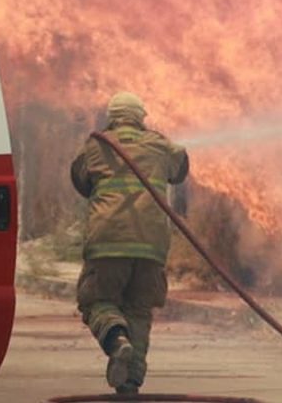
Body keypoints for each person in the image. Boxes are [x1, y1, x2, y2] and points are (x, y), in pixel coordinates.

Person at [70, 91, 189, 395]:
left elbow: (80, 180)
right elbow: (181, 168)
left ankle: (116, 338)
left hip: (108, 244)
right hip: (151, 248)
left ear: (112, 117)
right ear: (141, 118)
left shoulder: (97, 146)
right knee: (139, 310)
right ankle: (130, 382)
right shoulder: (159, 146)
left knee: (96, 301)